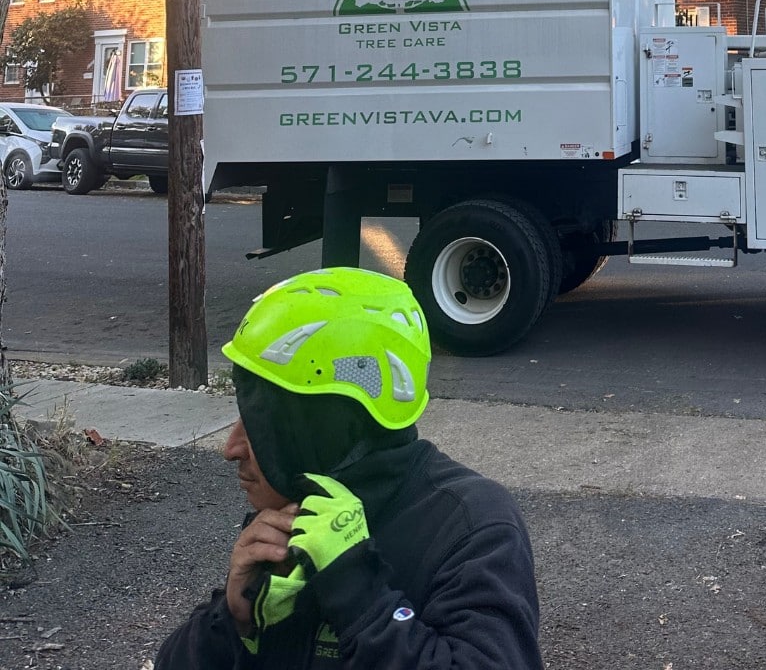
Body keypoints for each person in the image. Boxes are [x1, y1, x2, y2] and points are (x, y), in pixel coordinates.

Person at [156, 267, 543, 669]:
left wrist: (356, 586)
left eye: (259, 425)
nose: (231, 448)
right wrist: (231, 618)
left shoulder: (470, 525)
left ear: (325, 430)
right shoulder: (295, 511)